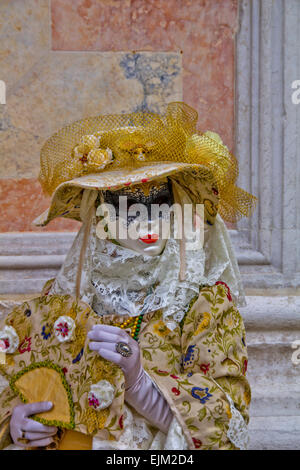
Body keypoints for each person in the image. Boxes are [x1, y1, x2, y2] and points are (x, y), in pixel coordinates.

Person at [0, 102, 256, 450]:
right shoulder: (62, 299)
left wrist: (139, 384)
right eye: (125, 209)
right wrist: (19, 424)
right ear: (101, 216)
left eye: (159, 204)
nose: (146, 223)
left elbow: (226, 425)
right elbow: (20, 387)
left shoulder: (205, 305)